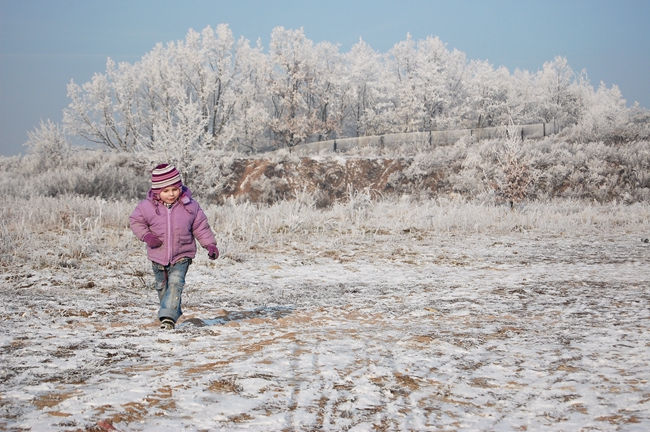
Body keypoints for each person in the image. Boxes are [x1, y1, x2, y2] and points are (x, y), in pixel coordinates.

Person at [129, 164, 219, 330]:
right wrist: (147, 236)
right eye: (166, 191)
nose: (171, 194)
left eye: (174, 189)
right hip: (158, 254)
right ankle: (169, 311)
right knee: (162, 287)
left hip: (182, 254)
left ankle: (168, 319)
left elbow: (200, 227)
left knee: (176, 283)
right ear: (157, 192)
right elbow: (135, 221)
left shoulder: (190, 206)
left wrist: (210, 245)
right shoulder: (146, 207)